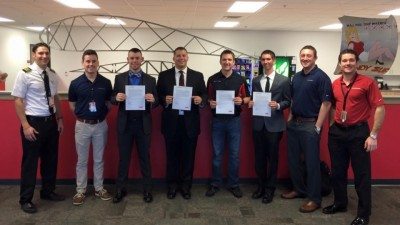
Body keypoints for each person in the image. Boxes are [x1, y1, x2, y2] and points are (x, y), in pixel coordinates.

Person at [322, 49, 385, 225]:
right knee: (338, 171)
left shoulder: (367, 83)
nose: (348, 63)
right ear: (340, 64)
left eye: (351, 60)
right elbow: (332, 105)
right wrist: (333, 125)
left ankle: (364, 214)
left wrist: (373, 135)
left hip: (358, 133)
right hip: (337, 132)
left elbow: (380, 108)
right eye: (344, 61)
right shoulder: (335, 83)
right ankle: (340, 203)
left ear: (356, 63)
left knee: (362, 175)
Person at [11, 42, 65, 213]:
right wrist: (25, 125)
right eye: (40, 53)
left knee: (51, 159)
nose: (44, 56)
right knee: (30, 162)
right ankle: (25, 199)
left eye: (46, 53)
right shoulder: (24, 73)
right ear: (34, 54)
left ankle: (47, 191)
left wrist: (60, 118)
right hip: (33, 123)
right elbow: (18, 100)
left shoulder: (52, 74)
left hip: (51, 122)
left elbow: (55, 97)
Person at [281, 45, 332, 213]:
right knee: (293, 160)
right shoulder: (295, 77)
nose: (305, 58)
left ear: (315, 57)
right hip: (295, 123)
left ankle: (314, 199)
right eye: (302, 55)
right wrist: (289, 119)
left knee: (311, 164)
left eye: (308, 55)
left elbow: (326, 104)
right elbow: (293, 100)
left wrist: (318, 126)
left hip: (311, 124)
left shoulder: (321, 77)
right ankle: (298, 189)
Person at [156, 47, 207, 199]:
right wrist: (164, 99)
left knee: (188, 158)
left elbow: (204, 94)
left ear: (187, 57)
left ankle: (186, 187)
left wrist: (201, 100)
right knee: (171, 157)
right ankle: (171, 186)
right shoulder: (164, 75)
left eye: (184, 55)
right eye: (178, 56)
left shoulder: (197, 76)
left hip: (190, 124)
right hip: (171, 123)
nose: (181, 58)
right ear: (173, 58)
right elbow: (158, 96)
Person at [112, 48, 158, 203]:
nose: (134, 61)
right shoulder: (119, 78)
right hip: (125, 124)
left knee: (145, 158)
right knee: (123, 159)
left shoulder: (151, 80)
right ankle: (120, 189)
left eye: (137, 58)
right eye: (131, 58)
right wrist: (116, 97)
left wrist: (153, 100)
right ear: (127, 59)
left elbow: (157, 101)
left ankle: (147, 190)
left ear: (142, 59)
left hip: (143, 124)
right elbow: (112, 98)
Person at [68, 49, 113, 205]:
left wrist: (99, 116)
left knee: (99, 159)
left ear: (98, 63)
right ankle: (80, 191)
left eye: (94, 61)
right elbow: (72, 105)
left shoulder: (106, 83)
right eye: (88, 61)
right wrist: (84, 117)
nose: (91, 64)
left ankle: (99, 188)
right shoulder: (75, 84)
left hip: (101, 125)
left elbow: (109, 104)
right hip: (82, 126)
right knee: (82, 160)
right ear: (83, 63)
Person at [248, 50, 291, 204]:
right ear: (260, 61)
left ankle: (270, 189)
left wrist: (278, 105)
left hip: (274, 125)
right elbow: (253, 99)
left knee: (272, 159)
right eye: (263, 59)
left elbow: (288, 101)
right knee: (259, 158)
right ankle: (260, 186)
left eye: (268, 59)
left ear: (273, 60)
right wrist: (251, 102)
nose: (266, 62)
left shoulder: (284, 80)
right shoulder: (256, 80)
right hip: (258, 124)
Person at [205, 49, 250, 198]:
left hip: (234, 122)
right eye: (224, 59)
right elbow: (207, 98)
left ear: (234, 62)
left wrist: (242, 100)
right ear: (220, 61)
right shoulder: (212, 79)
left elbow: (248, 98)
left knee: (234, 155)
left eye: (230, 60)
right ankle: (215, 184)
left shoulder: (240, 79)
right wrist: (209, 102)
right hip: (217, 121)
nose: (227, 62)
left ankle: (234, 184)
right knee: (217, 155)